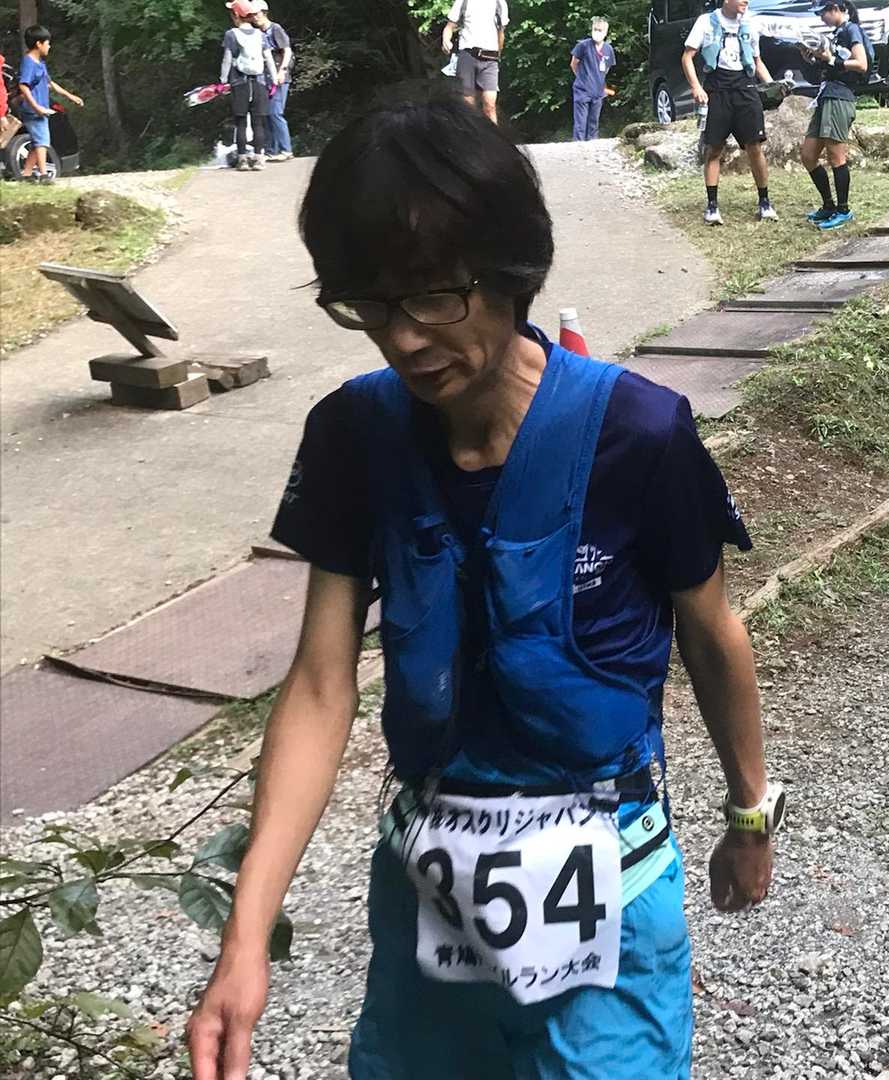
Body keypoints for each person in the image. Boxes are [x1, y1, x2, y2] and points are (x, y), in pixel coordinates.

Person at [184, 91, 783, 1080]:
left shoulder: (640, 436)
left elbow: (712, 633)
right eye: (369, 303)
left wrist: (749, 814)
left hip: (607, 884)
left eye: (433, 295)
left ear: (513, 270)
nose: (403, 338)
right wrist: (246, 935)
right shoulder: (354, 436)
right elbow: (323, 684)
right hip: (427, 898)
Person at [681, 0, 779, 226]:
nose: (746, 1)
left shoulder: (750, 24)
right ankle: (712, 206)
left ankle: (764, 202)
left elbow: (757, 60)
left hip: (745, 87)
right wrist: (696, 87)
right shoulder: (706, 22)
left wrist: (773, 85)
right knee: (714, 148)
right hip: (717, 88)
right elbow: (687, 57)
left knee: (755, 146)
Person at [799, 0, 870, 231]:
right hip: (826, 96)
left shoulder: (851, 30)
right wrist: (811, 58)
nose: (821, 18)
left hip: (839, 97)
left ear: (836, 8)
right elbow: (827, 68)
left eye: (823, 13)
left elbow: (861, 64)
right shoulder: (837, 34)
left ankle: (843, 210)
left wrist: (831, 59)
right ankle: (828, 205)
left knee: (836, 156)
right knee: (808, 155)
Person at [14, 25, 84, 183]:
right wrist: (36, 107)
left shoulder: (40, 63)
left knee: (38, 141)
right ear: (38, 44)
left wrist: (70, 96)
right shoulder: (29, 62)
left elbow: (50, 83)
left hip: (42, 109)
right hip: (34, 110)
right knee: (43, 141)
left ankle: (26, 174)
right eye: (47, 43)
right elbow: (23, 86)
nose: (49, 46)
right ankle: (44, 175)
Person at [220, 0, 277, 172]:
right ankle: (259, 159)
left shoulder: (231, 34)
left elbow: (227, 59)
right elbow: (268, 59)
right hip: (259, 82)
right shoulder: (260, 34)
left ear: (236, 15)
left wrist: (223, 81)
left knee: (241, 123)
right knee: (258, 123)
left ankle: (243, 160)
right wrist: (274, 80)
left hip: (239, 83)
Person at [442, 0, 510, 123]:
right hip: (467, 56)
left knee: (490, 106)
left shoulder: (500, 3)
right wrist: (446, 40)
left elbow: (501, 33)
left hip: (490, 59)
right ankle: (469, 134)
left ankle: (492, 135)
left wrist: (498, 54)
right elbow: (449, 27)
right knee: (468, 106)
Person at [252, 1, 293, 162]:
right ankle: (271, 150)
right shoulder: (257, 33)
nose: (255, 17)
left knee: (276, 113)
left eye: (257, 14)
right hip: (265, 78)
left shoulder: (275, 29)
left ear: (264, 12)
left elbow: (287, 51)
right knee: (267, 114)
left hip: (279, 77)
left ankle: (286, 149)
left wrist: (282, 71)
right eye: (252, 15)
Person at [570, 17, 616, 142]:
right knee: (580, 124)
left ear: (605, 32)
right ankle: (578, 146)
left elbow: (607, 68)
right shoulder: (583, 46)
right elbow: (573, 64)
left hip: (598, 91)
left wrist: (598, 80)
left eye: (600, 30)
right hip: (582, 90)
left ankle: (593, 146)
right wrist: (582, 78)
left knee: (593, 123)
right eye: (595, 29)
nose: (597, 32)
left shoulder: (608, 49)